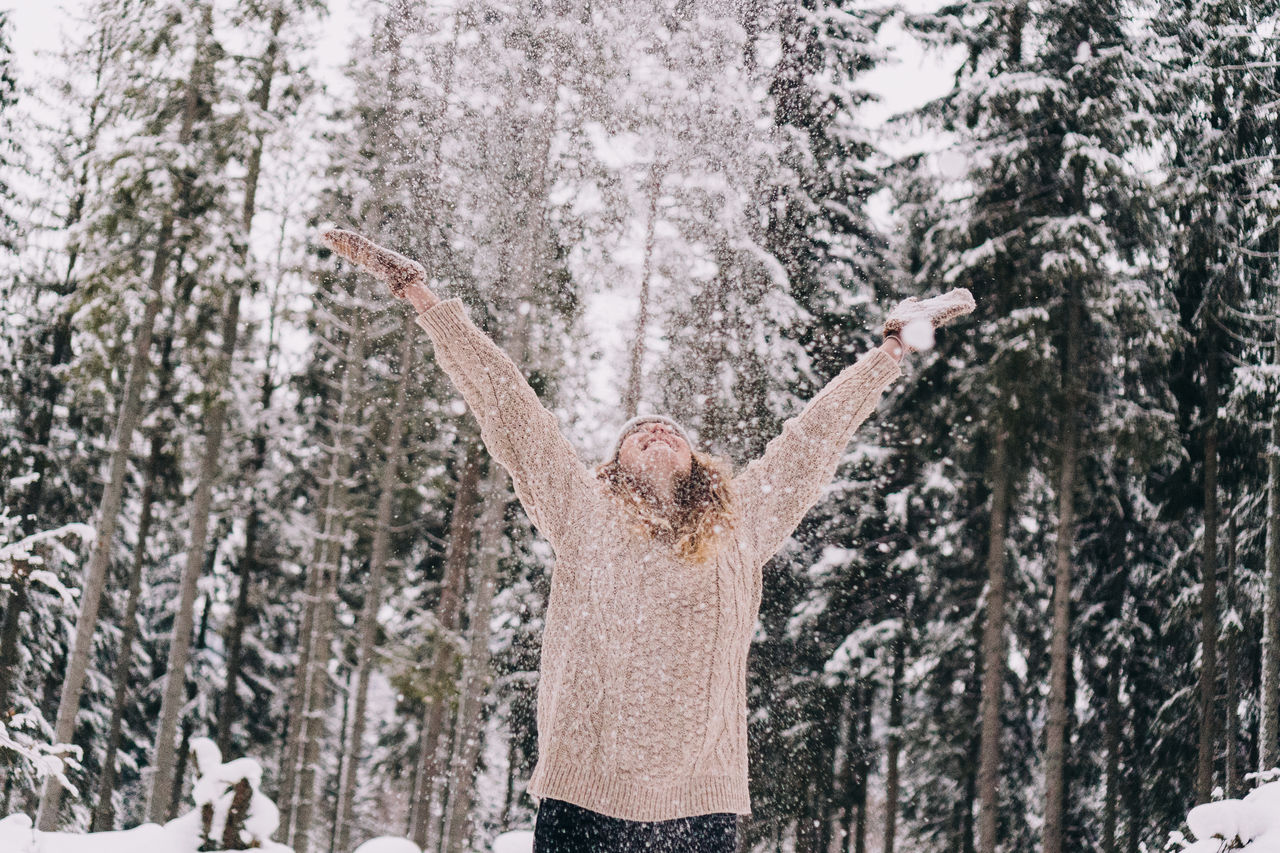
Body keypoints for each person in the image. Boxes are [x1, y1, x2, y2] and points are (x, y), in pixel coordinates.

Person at [320, 229, 974, 853]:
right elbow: (508, 407)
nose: (658, 431)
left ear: (696, 461)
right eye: (640, 431)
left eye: (671, 430)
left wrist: (890, 352)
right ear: (616, 462)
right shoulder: (581, 508)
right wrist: (424, 301)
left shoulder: (739, 524)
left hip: (700, 804)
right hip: (584, 795)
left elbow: (811, 442)